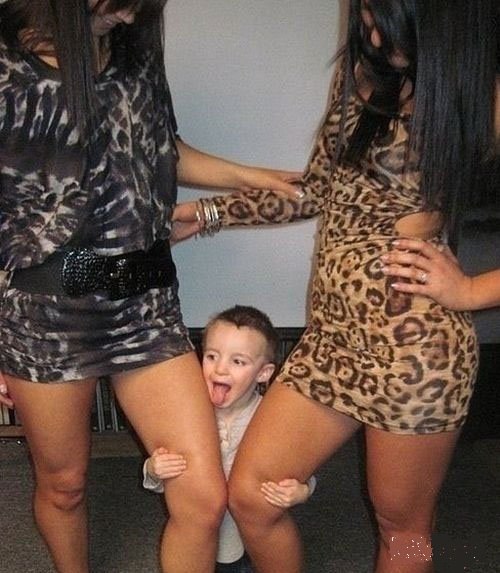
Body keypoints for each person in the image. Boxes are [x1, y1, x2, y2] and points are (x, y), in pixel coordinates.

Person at [173, 1, 499, 572]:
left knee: (405, 531)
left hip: (415, 359)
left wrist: (471, 292)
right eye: (366, 17)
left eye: (388, 22)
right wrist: (208, 213)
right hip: (332, 342)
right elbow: (318, 191)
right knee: (252, 495)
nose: (372, 35)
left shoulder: (483, 101)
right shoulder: (363, 76)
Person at [0, 2, 300, 573]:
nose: (127, 16)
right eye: (115, 4)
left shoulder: (133, 51)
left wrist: (252, 176)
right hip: (46, 309)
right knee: (64, 485)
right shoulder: (7, 65)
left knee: (204, 496)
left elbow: (161, 146)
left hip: (145, 301)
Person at [142, 304, 317, 573]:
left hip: (249, 544)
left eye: (238, 362)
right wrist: (154, 470)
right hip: (199, 542)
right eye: (212, 356)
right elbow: (171, 483)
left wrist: (302, 491)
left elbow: (299, 466)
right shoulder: (187, 416)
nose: (220, 370)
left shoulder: (270, 417)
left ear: (263, 373)